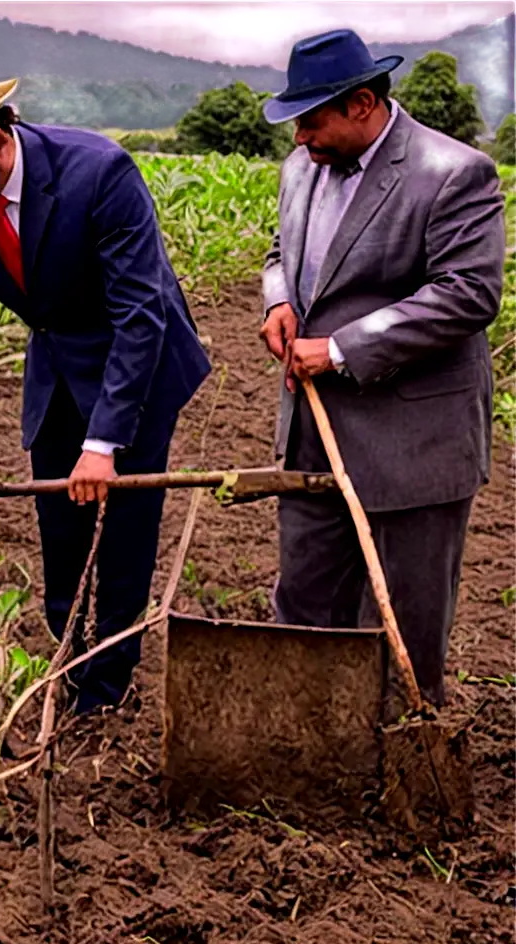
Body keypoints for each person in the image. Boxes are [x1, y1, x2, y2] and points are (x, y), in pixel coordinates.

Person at [0, 63, 211, 714]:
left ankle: (107, 691)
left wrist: (105, 440)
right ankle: (69, 655)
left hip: (135, 365)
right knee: (60, 527)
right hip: (58, 364)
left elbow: (139, 316)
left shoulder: (99, 173)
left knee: (121, 533)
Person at [259, 30, 505, 707]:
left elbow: (468, 292)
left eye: (311, 119)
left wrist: (339, 349)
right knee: (305, 604)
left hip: (412, 444)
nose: (300, 137)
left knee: (404, 624)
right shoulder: (300, 170)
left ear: (363, 103)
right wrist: (280, 302)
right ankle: (314, 756)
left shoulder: (451, 173)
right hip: (312, 430)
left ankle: (401, 764)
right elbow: (282, 254)